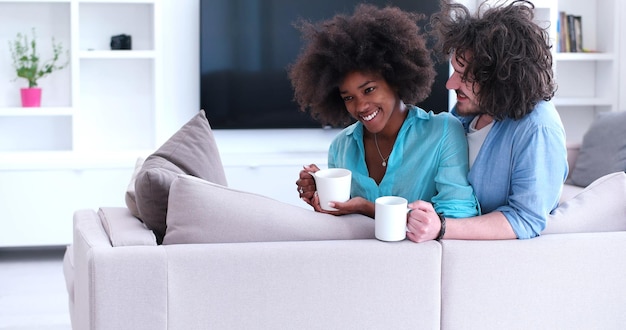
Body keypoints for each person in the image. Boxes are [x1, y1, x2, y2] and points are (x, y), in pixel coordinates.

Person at [290, 4, 479, 220]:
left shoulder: (442, 132)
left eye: (369, 90)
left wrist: (368, 208)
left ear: (395, 80)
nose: (361, 106)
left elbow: (457, 215)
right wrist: (323, 194)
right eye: (348, 98)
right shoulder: (341, 147)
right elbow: (345, 225)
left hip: (423, 254)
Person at [405, 0, 568, 242]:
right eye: (453, 73)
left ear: (503, 76)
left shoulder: (538, 127)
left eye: (465, 76)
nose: (450, 85)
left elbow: (526, 219)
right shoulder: (465, 113)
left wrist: (442, 227)